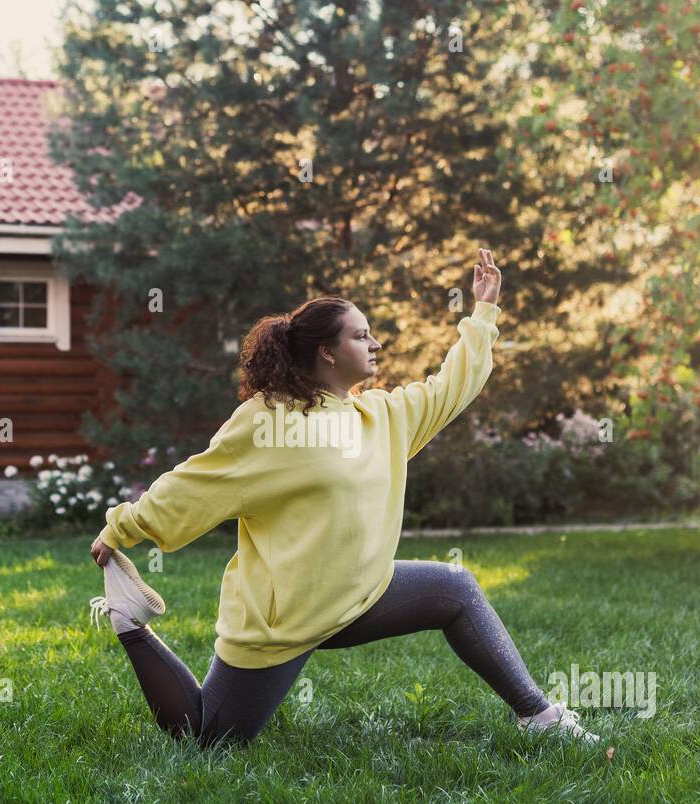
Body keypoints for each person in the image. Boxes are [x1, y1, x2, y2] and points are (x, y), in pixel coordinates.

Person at [89, 249, 599, 749]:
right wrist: (122, 528)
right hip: (284, 616)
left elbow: (452, 386)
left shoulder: (381, 416)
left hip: (360, 595)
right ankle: (130, 623)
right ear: (327, 352)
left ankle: (540, 716)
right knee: (211, 738)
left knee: (456, 588)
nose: (375, 343)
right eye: (361, 335)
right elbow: (194, 484)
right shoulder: (269, 420)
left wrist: (482, 311)